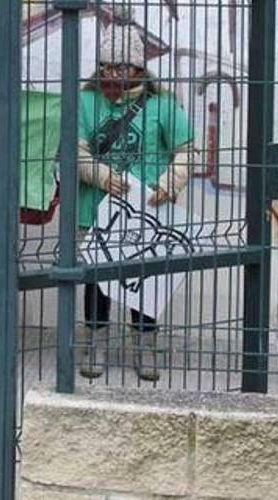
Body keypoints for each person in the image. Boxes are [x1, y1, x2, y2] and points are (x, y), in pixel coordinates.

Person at [73, 25, 195, 382]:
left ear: (139, 69)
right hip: (96, 208)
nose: (114, 75)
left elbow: (186, 151)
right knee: (97, 278)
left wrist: (169, 184)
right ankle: (95, 343)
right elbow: (73, 149)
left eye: (123, 67)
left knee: (145, 280)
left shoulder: (162, 104)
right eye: (108, 67)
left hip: (148, 210)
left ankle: (145, 346)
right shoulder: (84, 101)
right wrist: (99, 175)